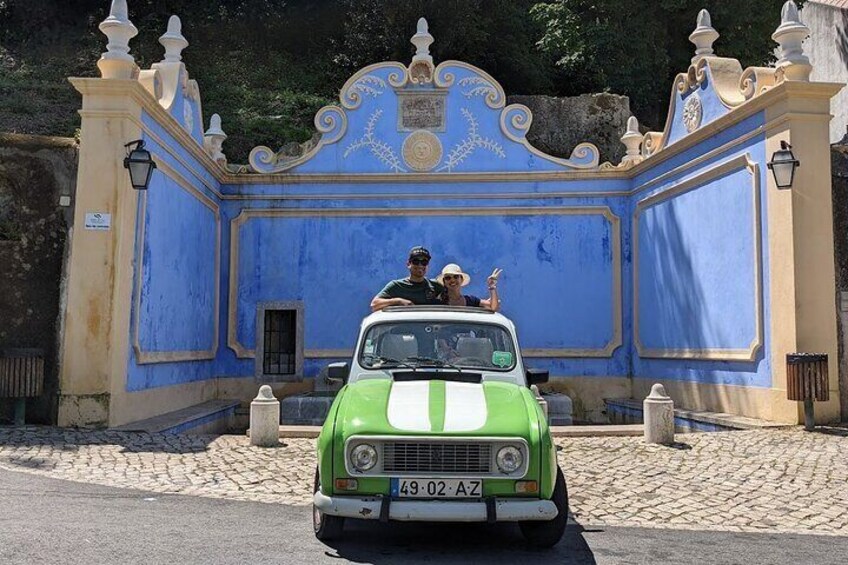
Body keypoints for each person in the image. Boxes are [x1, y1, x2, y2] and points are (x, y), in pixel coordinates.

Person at [370, 246, 445, 312]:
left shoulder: (435, 286)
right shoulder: (396, 286)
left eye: (424, 262)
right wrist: (398, 301)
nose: (420, 265)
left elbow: (452, 302)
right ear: (408, 264)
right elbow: (374, 305)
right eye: (416, 261)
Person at [435, 263, 501, 311]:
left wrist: (492, 287)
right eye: (448, 278)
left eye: (456, 277)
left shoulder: (471, 300)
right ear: (444, 282)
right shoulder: (438, 302)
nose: (452, 280)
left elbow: (493, 307)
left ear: (461, 279)